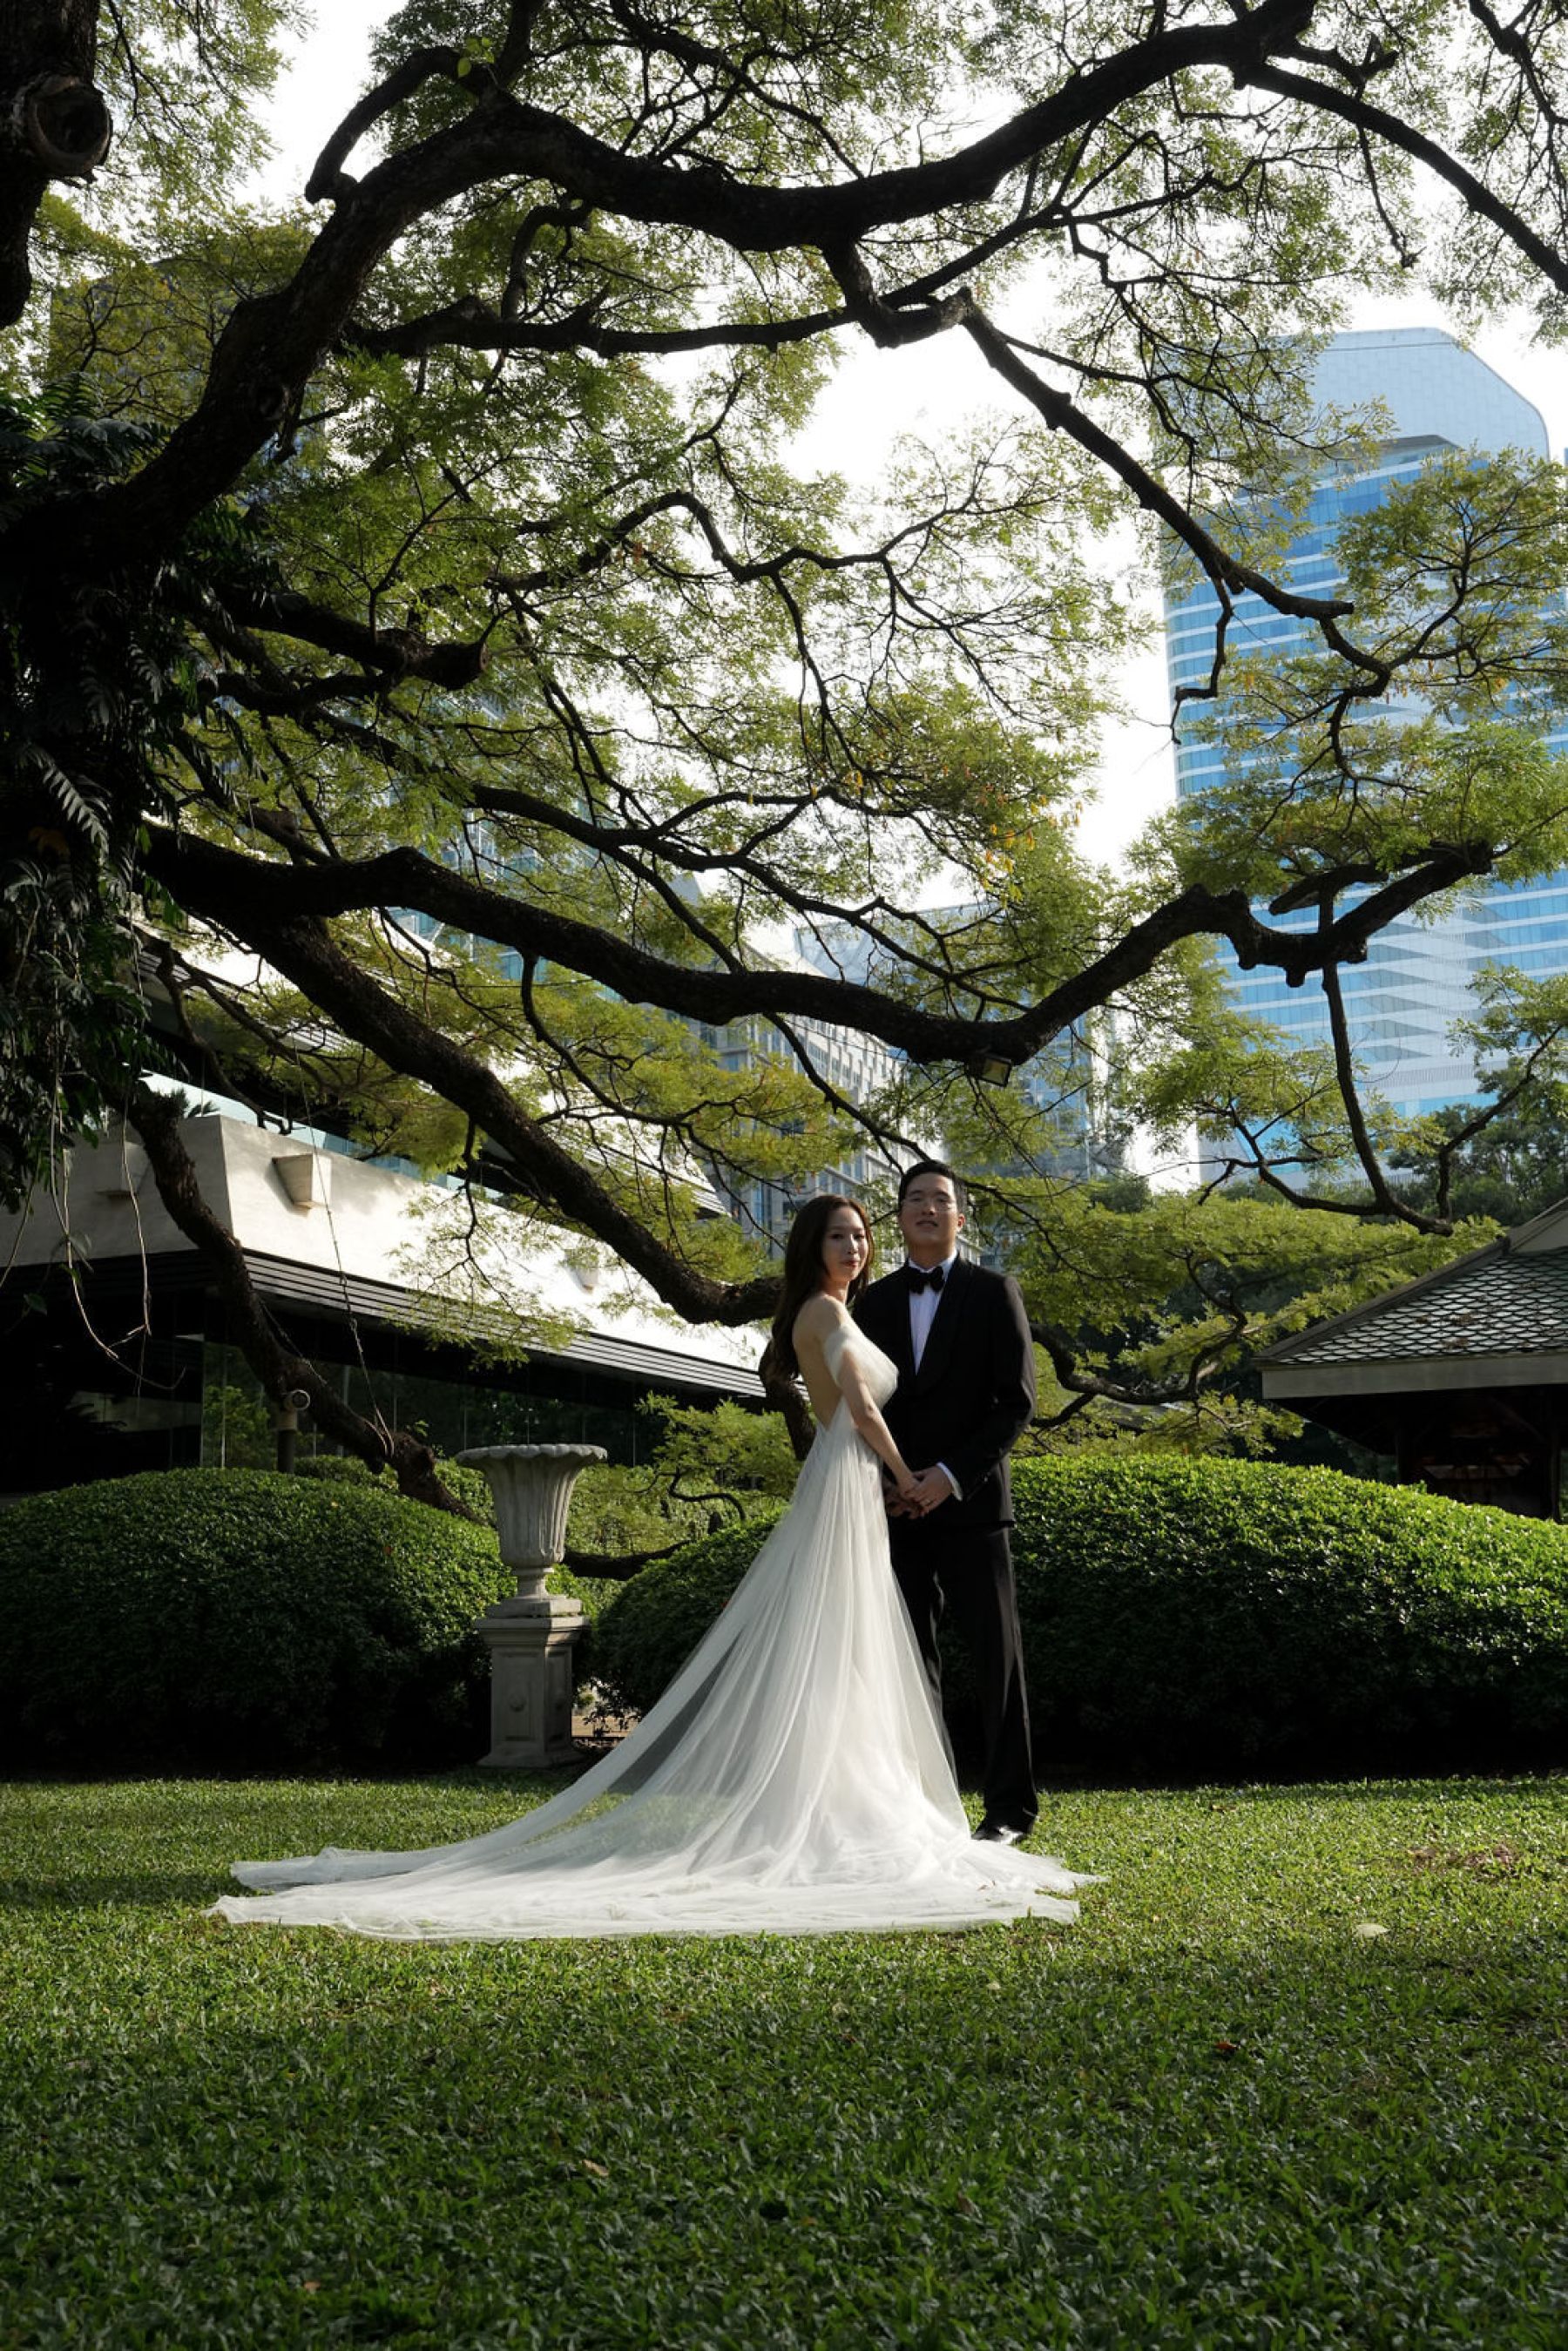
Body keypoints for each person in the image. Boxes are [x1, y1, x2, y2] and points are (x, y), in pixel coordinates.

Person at [211, 1192, 1087, 1942]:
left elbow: (978, 1398)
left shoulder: (865, 1305)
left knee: (864, 1651)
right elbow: (856, 1404)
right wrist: (904, 1476)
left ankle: (875, 1797)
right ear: (816, 1246)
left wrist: (917, 1477)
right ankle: (847, 1807)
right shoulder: (827, 1311)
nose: (855, 1245)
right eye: (839, 1234)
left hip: (868, 1487)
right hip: (860, 1480)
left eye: (861, 1234)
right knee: (854, 1646)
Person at [853, 1160, 1038, 1845]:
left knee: (998, 1660)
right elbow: (863, 1406)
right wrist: (893, 1481)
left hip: (973, 1506)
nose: (927, 1208)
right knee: (908, 1661)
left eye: (941, 1199)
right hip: (898, 1511)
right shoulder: (869, 1303)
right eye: (914, 1199)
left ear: (961, 1217)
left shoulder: (995, 1291)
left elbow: (1016, 1403)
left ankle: (1009, 1811)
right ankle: (927, 1805)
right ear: (898, 1216)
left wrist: (949, 1476)